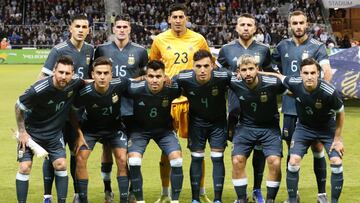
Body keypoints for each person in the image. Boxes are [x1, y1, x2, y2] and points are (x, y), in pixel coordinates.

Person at [149, 3, 212, 203]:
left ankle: (201, 192)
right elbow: (154, 65)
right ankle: (165, 193)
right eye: (174, 17)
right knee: (166, 149)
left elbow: (209, 64)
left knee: (198, 148)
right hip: (168, 100)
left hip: (193, 100)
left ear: (186, 19)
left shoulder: (198, 39)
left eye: (181, 17)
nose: (177, 20)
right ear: (168, 19)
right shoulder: (159, 39)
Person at [272, 10, 333, 203]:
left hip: (313, 108)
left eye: (301, 23)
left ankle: (321, 194)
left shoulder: (318, 46)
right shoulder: (282, 46)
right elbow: (271, 68)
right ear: (289, 25)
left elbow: (327, 73)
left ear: (307, 24)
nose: (298, 26)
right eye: (294, 23)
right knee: (292, 151)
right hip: (289, 108)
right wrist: (284, 87)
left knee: (317, 148)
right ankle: (293, 195)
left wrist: (308, 93)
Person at [264, 58, 345, 203]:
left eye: (313, 72)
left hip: (327, 129)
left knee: (336, 161)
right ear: (300, 74)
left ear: (318, 73)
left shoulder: (329, 91)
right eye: (306, 73)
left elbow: (341, 111)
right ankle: (293, 200)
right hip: (304, 128)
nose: (309, 76)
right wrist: (256, 72)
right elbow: (279, 77)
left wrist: (338, 139)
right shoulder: (294, 83)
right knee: (293, 161)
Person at [216, 13, 272, 203]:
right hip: (235, 109)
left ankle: (257, 189)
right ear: (236, 28)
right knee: (238, 152)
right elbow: (216, 70)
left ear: (255, 28)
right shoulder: (226, 49)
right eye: (242, 24)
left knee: (259, 150)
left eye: (249, 25)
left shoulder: (264, 50)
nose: (246, 28)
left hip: (259, 110)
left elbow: (271, 74)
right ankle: (241, 193)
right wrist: (233, 74)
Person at [39, 14, 94, 203]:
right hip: (57, 114)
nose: (80, 30)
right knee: (52, 155)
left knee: (75, 153)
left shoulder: (90, 50)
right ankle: (47, 196)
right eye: (77, 26)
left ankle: (77, 194)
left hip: (78, 112)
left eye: (84, 26)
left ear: (89, 30)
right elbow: (42, 78)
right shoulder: (58, 50)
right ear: (70, 28)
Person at [94, 14, 148, 202]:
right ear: (113, 29)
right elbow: (94, 76)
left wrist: (129, 82)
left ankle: (132, 190)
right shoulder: (101, 49)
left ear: (130, 29)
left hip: (132, 109)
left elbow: (146, 76)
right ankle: (108, 189)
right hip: (108, 109)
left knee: (131, 153)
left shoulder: (140, 51)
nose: (122, 30)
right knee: (107, 150)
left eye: (125, 27)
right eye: (119, 27)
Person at [15, 56, 84, 203]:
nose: (63, 76)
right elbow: (18, 105)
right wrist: (22, 132)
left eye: (67, 73)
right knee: (24, 167)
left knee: (61, 164)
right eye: (60, 72)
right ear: (54, 71)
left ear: (73, 74)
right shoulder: (38, 90)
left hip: (54, 134)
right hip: (31, 133)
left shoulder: (75, 82)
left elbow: (88, 82)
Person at [173, 50, 232, 203]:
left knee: (217, 158)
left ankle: (217, 199)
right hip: (196, 123)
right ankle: (195, 199)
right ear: (193, 66)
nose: (202, 70)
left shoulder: (223, 76)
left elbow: (241, 85)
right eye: (198, 66)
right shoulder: (183, 77)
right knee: (197, 158)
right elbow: (167, 89)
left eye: (206, 66)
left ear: (213, 65)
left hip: (217, 123)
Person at [72, 57, 129, 203]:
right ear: (92, 74)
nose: (102, 77)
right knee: (80, 158)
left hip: (115, 128)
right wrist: (78, 134)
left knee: (122, 159)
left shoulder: (120, 83)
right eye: (99, 73)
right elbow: (72, 111)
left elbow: (139, 82)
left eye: (106, 73)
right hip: (90, 129)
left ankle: (123, 199)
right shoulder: (85, 92)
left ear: (111, 74)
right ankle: (83, 199)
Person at [229, 55, 285, 203]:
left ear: (258, 70)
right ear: (238, 72)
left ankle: (270, 200)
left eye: (251, 69)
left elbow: (292, 86)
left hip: (269, 128)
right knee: (237, 160)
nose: (248, 73)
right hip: (245, 127)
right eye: (244, 70)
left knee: (275, 162)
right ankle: (242, 198)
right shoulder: (234, 82)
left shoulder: (272, 83)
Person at [127, 60, 183, 203]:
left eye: (158, 76)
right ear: (146, 77)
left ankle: (174, 200)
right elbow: (116, 84)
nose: (155, 80)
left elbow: (186, 79)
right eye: (151, 76)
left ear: (165, 77)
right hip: (139, 130)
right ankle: (139, 201)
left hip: (164, 130)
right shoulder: (135, 88)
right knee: (133, 161)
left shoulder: (172, 88)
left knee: (177, 160)